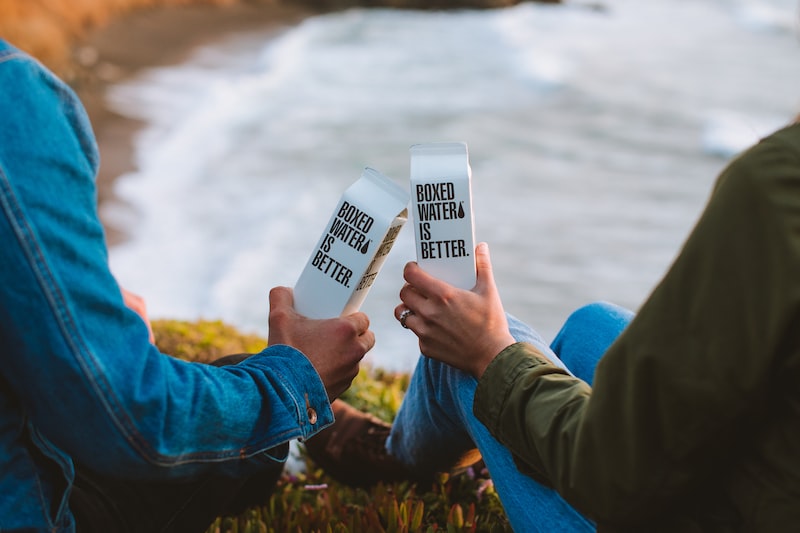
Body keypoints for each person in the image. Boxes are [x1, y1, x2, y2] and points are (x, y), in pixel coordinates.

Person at [306, 119, 800, 531]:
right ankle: (479, 442)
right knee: (592, 324)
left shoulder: (779, 185)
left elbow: (618, 474)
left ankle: (395, 461)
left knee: (464, 354)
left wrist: (489, 353)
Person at [0, 39, 375, 532]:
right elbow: (131, 418)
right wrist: (296, 382)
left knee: (236, 379)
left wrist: (85, 304)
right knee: (250, 385)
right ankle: (343, 441)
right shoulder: (13, 101)